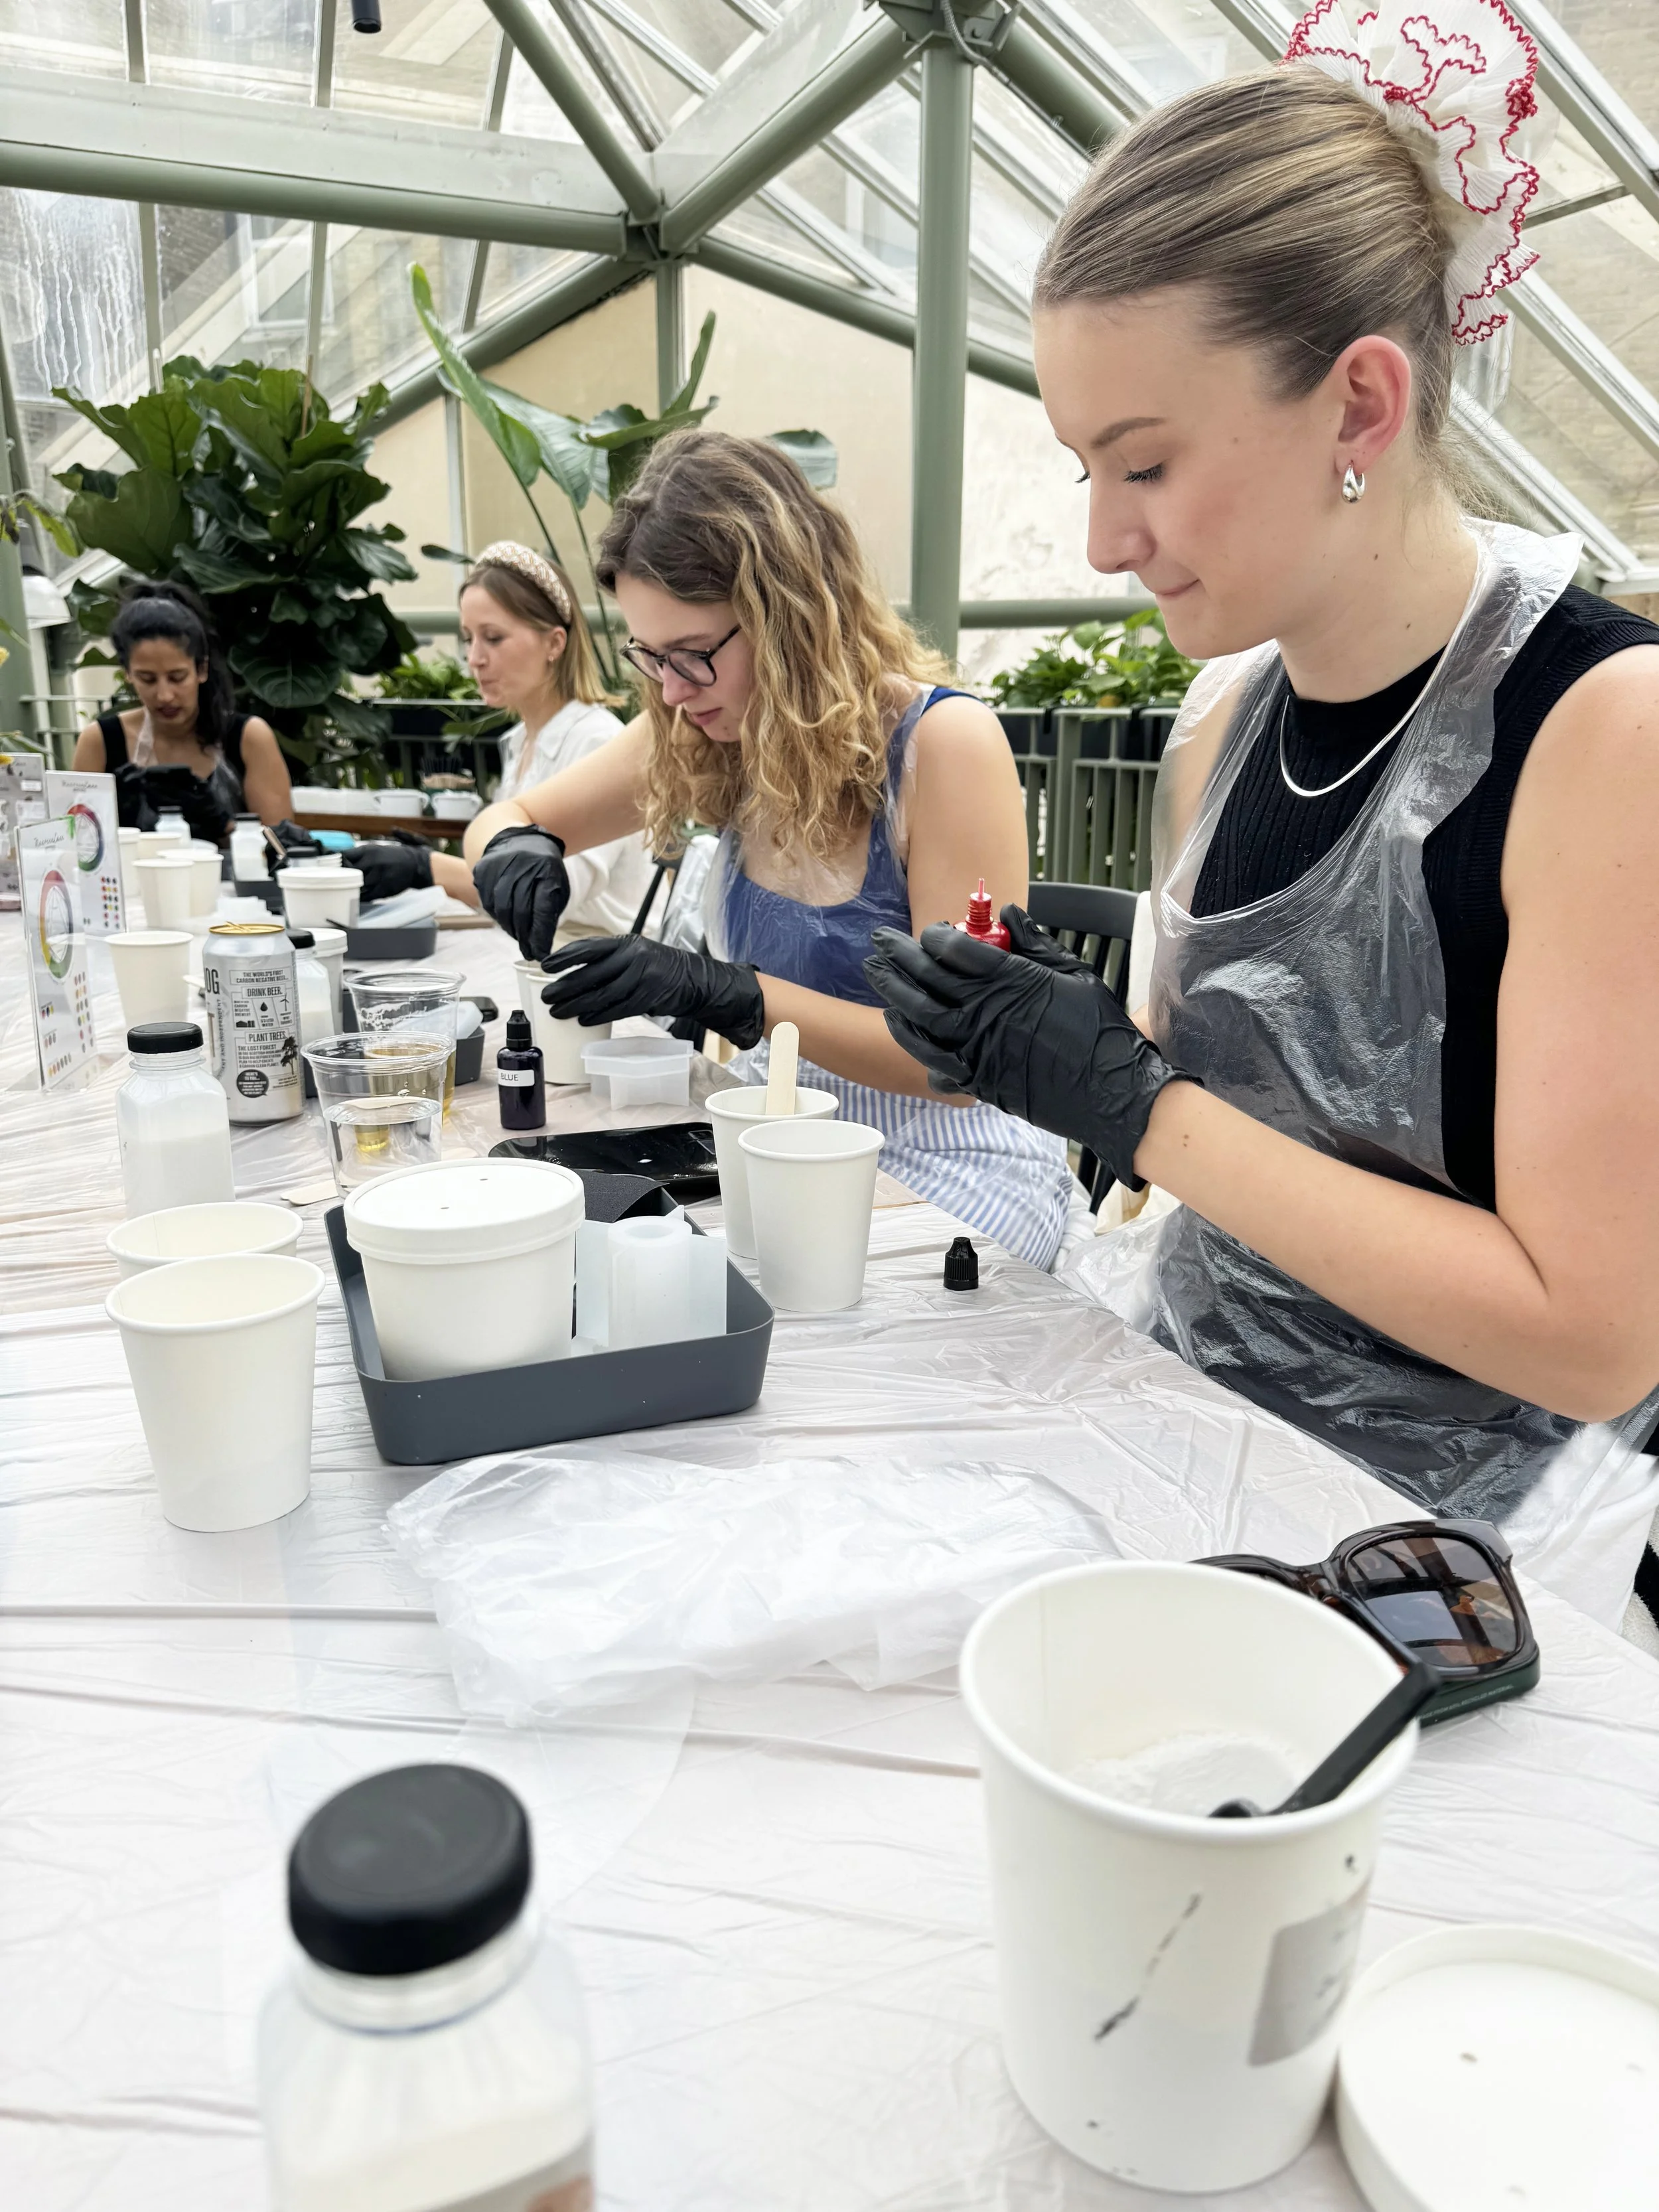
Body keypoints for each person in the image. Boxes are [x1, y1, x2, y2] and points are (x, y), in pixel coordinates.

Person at [864, 10, 1659, 1623]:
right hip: (1188, 1420)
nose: (1102, 540)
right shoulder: (1221, 725)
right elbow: (1214, 1132)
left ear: (1358, 405)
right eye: (1085, 468)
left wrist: (1132, 1100)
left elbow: (1590, 1337)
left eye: (1143, 464)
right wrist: (1043, 1034)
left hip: (1457, 1558)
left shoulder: (1603, 732)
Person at [463, 430, 1080, 1270]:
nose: (670, 691)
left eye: (693, 655)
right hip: (777, 1142)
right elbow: (511, 815)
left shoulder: (942, 745)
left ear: (788, 617)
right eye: (652, 657)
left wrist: (736, 996)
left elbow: (962, 1062)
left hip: (952, 1164)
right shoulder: (702, 725)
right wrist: (513, 845)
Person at [347, 543, 651, 936]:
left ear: (555, 643)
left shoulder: (597, 741)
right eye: (468, 638)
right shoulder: (519, 741)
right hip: (538, 950)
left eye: (493, 638)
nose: (474, 658)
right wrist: (427, 861)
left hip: (596, 957)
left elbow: (548, 896)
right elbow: (506, 879)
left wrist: (428, 867)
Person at [73, 578, 294, 841]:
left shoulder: (248, 737)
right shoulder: (100, 742)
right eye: (147, 679)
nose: (165, 696)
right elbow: (77, 845)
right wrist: (112, 821)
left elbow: (283, 847)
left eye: (177, 678)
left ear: (201, 669)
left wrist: (221, 825)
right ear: (128, 674)